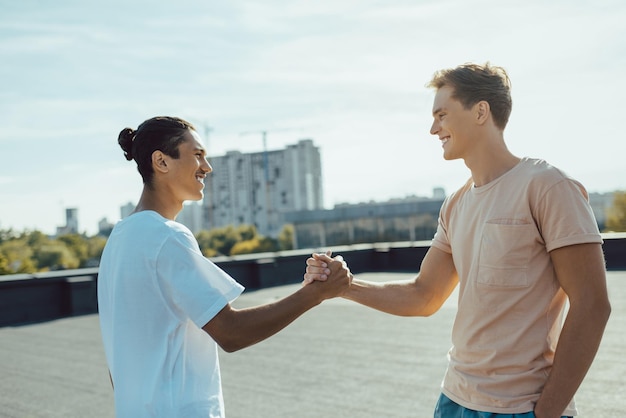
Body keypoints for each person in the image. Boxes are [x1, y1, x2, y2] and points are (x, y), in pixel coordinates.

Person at [305, 63, 611, 418]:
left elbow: (592, 305)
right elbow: (424, 295)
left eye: (442, 114)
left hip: (522, 407)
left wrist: (548, 412)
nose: (433, 128)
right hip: (454, 400)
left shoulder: (548, 186)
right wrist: (344, 286)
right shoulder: (455, 203)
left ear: (481, 111)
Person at [97, 116, 351, 417]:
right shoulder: (167, 236)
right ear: (161, 162)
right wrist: (315, 294)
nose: (207, 167)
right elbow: (231, 332)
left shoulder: (119, 238)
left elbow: (118, 365)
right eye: (197, 155)